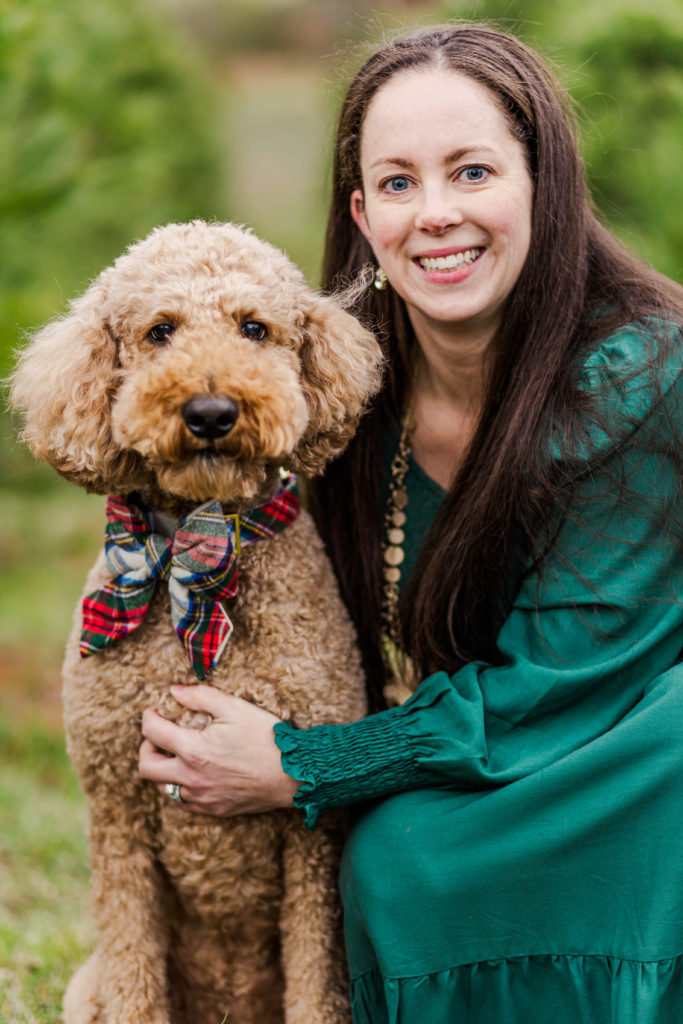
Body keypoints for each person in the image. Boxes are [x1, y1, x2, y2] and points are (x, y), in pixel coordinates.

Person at [139, 23, 683, 1023]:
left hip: (630, 725)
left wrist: (305, 762)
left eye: (471, 171)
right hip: (485, 733)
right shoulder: (346, 388)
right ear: (360, 211)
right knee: (394, 858)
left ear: (539, 186)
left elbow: (560, 675)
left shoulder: (642, 372)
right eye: (396, 183)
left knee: (409, 854)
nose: (434, 214)